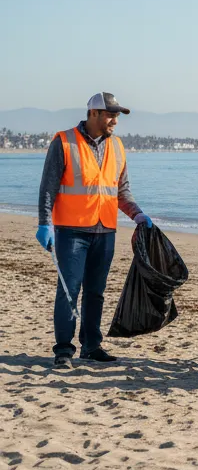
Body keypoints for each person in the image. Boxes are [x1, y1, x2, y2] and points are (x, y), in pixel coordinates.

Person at [36, 93, 153, 368]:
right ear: (94, 114)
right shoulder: (63, 142)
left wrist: (137, 214)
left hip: (105, 230)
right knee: (69, 290)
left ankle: (91, 345)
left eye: (117, 116)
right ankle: (64, 349)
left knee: (96, 292)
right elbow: (48, 187)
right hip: (71, 230)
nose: (115, 120)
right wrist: (44, 223)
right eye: (111, 115)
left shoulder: (118, 147)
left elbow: (121, 191)